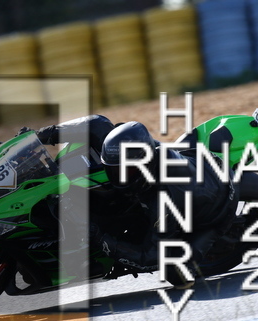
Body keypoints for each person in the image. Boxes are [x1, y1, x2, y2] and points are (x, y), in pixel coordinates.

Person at [28, 115, 238, 288]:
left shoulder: (164, 200)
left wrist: (99, 237)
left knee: (176, 274)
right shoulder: (126, 151)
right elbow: (97, 124)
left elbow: (149, 258)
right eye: (113, 168)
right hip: (196, 164)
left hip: (219, 206)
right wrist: (39, 136)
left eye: (126, 171)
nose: (117, 175)